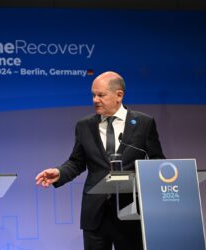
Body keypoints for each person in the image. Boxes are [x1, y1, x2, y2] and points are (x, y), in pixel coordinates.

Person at [35, 71, 165, 250]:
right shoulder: (84, 125)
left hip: (131, 212)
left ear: (119, 95)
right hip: (95, 214)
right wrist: (59, 172)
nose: (95, 99)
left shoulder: (144, 123)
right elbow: (77, 162)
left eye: (101, 95)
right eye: (93, 95)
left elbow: (157, 162)